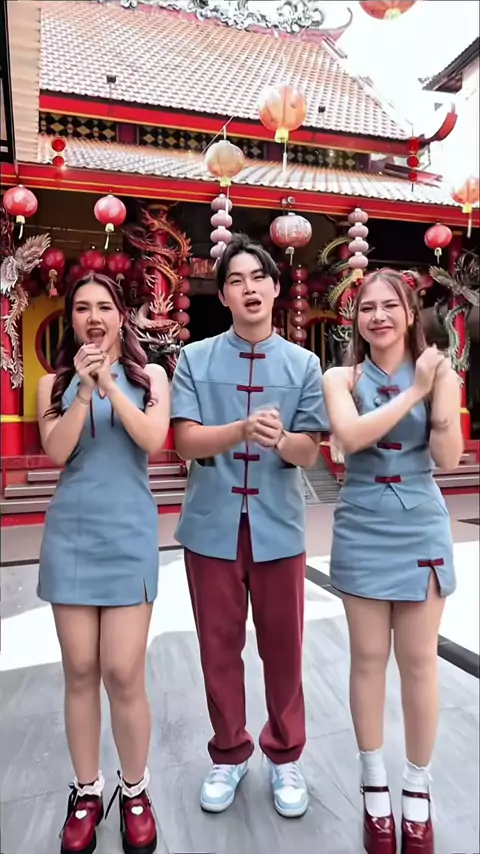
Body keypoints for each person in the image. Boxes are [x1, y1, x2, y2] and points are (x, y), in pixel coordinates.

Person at [171, 234, 328, 818]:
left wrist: (281, 439)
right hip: (210, 525)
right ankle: (229, 752)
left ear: (276, 287)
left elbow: (309, 451)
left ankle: (285, 755)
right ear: (224, 297)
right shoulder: (195, 359)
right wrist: (239, 430)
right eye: (235, 280)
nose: (249, 288)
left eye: (258, 277)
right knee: (218, 647)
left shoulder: (304, 364)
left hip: (278, 527)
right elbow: (185, 441)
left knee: (284, 648)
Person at [322, 268, 462, 854]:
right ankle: (374, 785)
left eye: (389, 306)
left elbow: (448, 458)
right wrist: (415, 390)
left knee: (420, 663)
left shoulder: (442, 373)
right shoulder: (340, 377)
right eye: (366, 308)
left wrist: (441, 397)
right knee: (368, 660)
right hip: (362, 524)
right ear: (356, 320)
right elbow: (350, 437)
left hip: (420, 523)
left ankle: (417, 787)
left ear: (409, 313)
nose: (377, 316)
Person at [37, 273, 170, 854]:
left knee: (122, 671)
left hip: (129, 533)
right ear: (71, 319)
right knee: (80, 670)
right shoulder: (52, 384)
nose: (94, 318)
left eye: (105, 307)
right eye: (82, 308)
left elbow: (153, 440)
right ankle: (87, 790)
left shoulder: (150, 377)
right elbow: (56, 451)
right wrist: (83, 392)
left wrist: (111, 385)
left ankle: (134, 789)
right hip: (70, 534)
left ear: (121, 316)